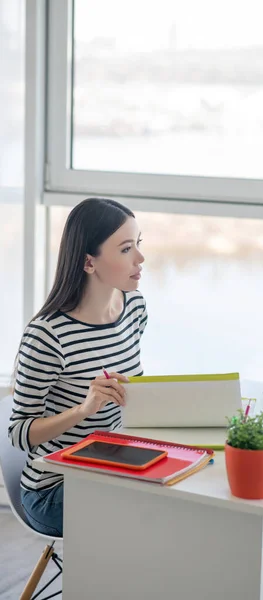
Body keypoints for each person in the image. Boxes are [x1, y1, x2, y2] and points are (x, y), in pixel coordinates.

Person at [8, 197, 147, 537]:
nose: (141, 259)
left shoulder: (134, 307)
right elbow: (19, 434)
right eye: (126, 249)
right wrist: (84, 409)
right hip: (53, 489)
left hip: (112, 466)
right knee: (154, 515)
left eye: (139, 244)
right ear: (89, 262)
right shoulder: (47, 335)